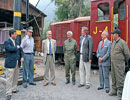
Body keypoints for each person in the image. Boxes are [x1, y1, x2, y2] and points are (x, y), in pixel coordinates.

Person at [109, 29, 130, 100]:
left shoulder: (122, 43)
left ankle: (120, 93)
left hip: (119, 63)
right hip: (113, 62)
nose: (112, 35)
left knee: (120, 77)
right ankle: (114, 90)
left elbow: (127, 54)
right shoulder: (114, 42)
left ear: (117, 35)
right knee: (113, 76)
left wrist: (122, 60)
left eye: (113, 34)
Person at [4, 29, 24, 100]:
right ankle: (8, 93)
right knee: (9, 79)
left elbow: (21, 51)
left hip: (17, 63)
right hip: (10, 63)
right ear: (11, 35)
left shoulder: (17, 42)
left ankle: (14, 89)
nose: (16, 35)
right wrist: (16, 47)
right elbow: (10, 49)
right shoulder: (7, 42)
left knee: (15, 77)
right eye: (15, 34)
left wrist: (22, 57)